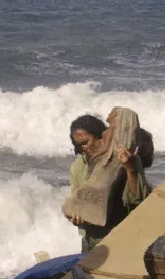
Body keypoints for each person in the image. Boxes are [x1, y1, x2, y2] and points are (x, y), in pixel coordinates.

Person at [64, 107, 152, 253]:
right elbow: (77, 201)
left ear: (100, 136)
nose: (83, 148)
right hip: (91, 238)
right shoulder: (78, 166)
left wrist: (130, 169)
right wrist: (74, 217)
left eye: (85, 142)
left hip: (120, 236)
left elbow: (137, 200)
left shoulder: (127, 160)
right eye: (78, 145)